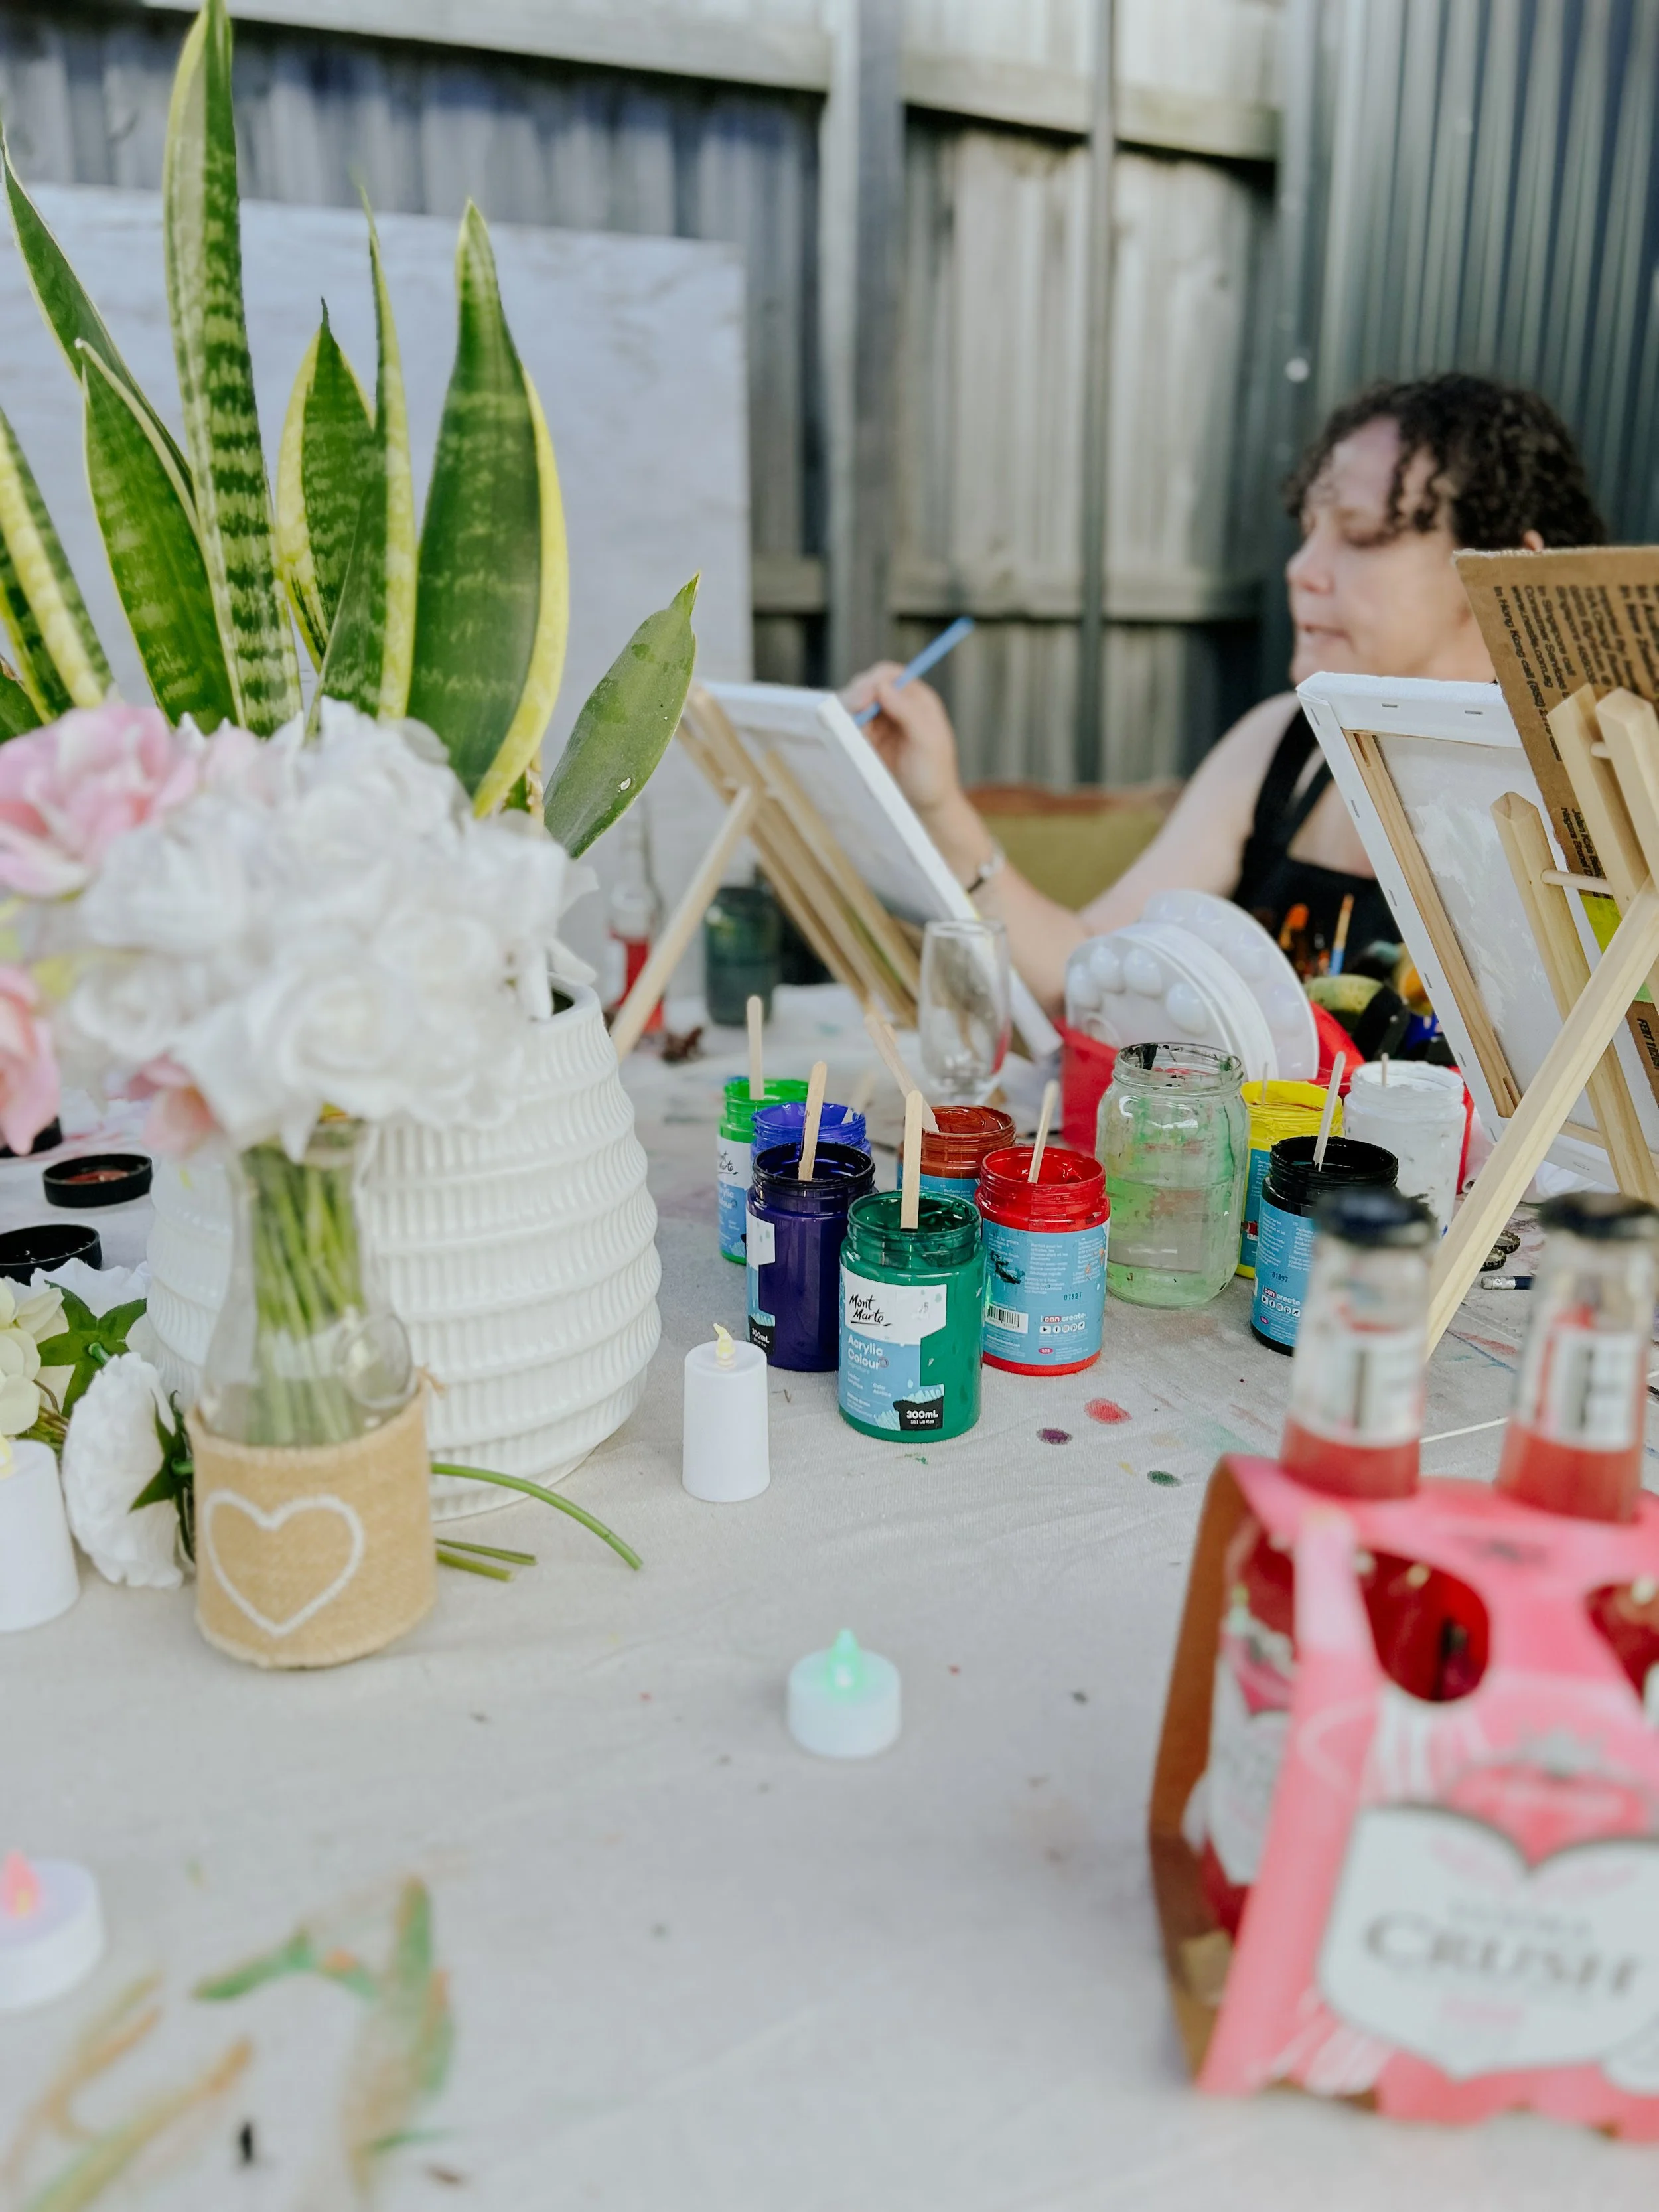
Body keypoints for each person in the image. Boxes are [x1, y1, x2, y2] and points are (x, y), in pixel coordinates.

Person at [845, 374, 1607, 1018]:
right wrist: (939, 803)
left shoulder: (1595, 790)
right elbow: (1083, 971)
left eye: (1363, 533)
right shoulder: (1287, 742)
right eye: (1307, 531)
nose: (1302, 568)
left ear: (1505, 570)